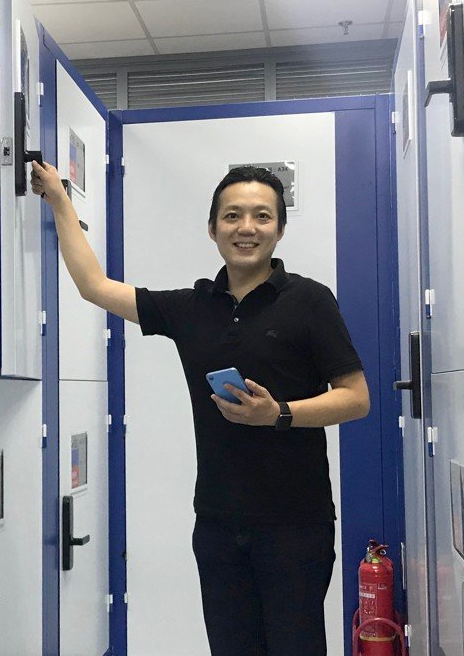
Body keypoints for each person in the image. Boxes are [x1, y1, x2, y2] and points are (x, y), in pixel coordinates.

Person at [30, 160, 370, 656]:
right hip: (216, 522)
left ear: (279, 229)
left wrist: (278, 413)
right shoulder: (191, 307)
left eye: (262, 216)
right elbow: (94, 286)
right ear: (213, 228)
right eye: (232, 216)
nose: (246, 228)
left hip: (296, 525)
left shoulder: (310, 301)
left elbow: (356, 397)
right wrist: (61, 200)